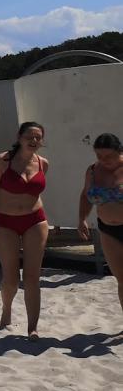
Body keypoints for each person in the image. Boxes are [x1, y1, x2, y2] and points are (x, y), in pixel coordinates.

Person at [0, 121, 49, 337]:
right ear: (19, 137)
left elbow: (36, 193)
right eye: (30, 136)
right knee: (10, 277)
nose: (34, 140)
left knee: (32, 277)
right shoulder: (3, 161)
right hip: (6, 222)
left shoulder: (43, 163)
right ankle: (6, 311)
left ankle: (32, 327)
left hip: (35, 221)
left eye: (38, 137)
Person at [78, 132, 123, 316]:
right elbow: (85, 196)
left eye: (108, 156)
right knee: (121, 279)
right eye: (99, 156)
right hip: (107, 229)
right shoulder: (92, 170)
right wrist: (81, 219)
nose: (104, 160)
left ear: (119, 151)